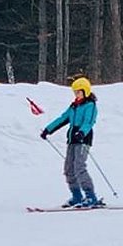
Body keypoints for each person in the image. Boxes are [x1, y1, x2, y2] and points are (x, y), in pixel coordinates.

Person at [40, 76, 101, 208]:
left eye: (78, 92)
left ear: (85, 91)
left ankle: (91, 196)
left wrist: (82, 133)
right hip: (72, 140)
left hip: (83, 140)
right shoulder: (74, 106)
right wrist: (48, 130)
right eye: (75, 92)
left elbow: (88, 122)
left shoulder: (90, 105)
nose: (76, 95)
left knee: (79, 167)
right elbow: (62, 119)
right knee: (68, 169)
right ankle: (77, 196)